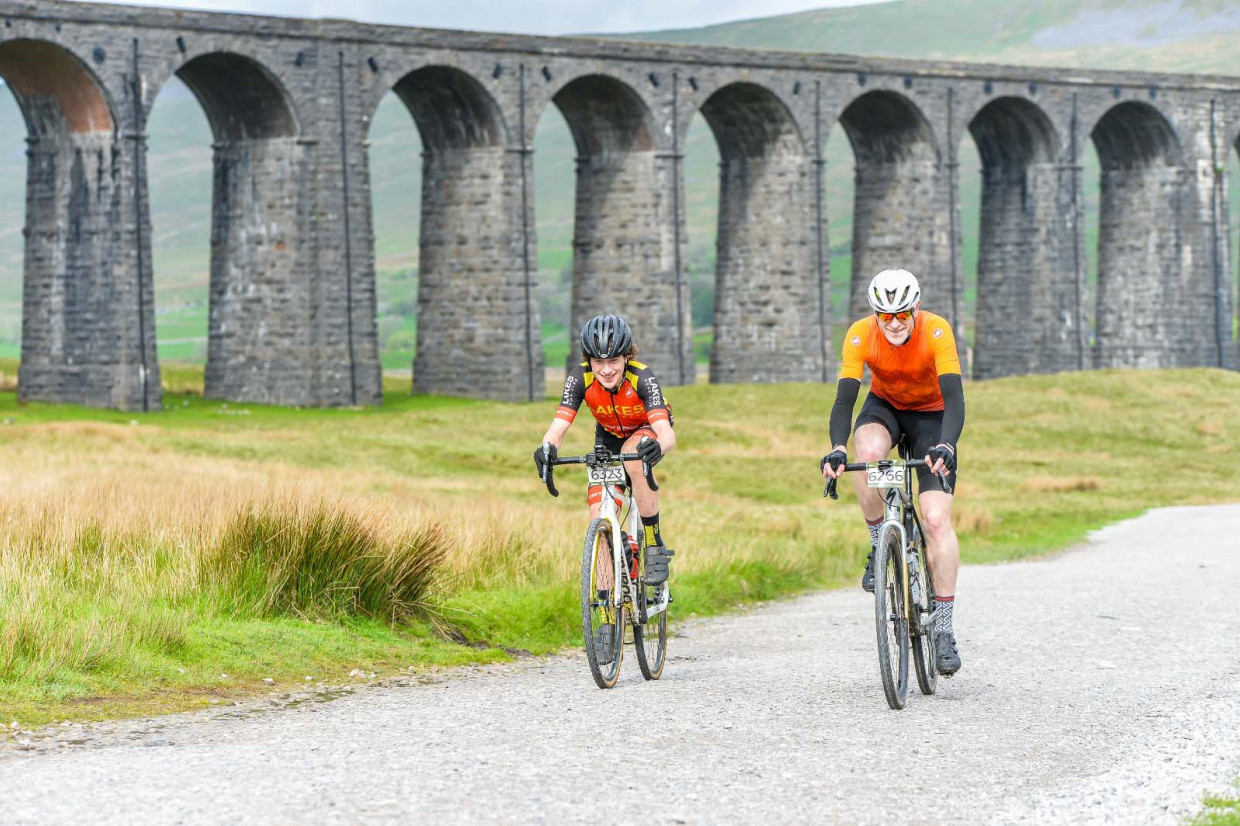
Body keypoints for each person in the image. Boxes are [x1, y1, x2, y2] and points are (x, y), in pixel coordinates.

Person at [821, 268, 966, 676]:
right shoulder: (859, 334)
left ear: (916, 308)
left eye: (903, 314)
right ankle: (878, 544)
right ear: (875, 316)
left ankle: (943, 629)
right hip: (885, 408)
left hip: (933, 419)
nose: (896, 323)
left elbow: (955, 399)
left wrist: (947, 445)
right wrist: (835, 448)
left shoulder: (937, 331)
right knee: (865, 453)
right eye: (886, 317)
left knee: (936, 521)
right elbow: (845, 398)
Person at [535, 313, 677, 585]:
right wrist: (547, 448)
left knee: (635, 461)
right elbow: (558, 428)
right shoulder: (579, 378)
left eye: (613, 361)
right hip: (609, 437)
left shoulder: (642, 376)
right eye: (599, 362)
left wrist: (658, 447)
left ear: (626, 357)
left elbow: (667, 433)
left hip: (646, 431)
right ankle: (604, 610)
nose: (606, 369)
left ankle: (653, 543)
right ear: (589, 361)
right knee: (598, 517)